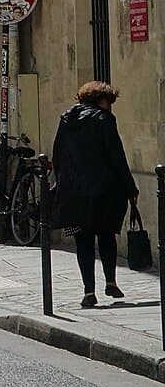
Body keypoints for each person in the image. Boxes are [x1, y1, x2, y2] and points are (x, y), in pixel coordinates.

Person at [51, 80, 138, 308]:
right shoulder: (104, 119)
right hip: (103, 191)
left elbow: (58, 155)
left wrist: (62, 183)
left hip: (74, 192)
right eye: (109, 102)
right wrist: (130, 188)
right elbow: (117, 157)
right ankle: (110, 281)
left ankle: (88, 291)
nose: (110, 106)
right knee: (106, 236)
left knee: (83, 242)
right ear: (101, 100)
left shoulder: (66, 119)